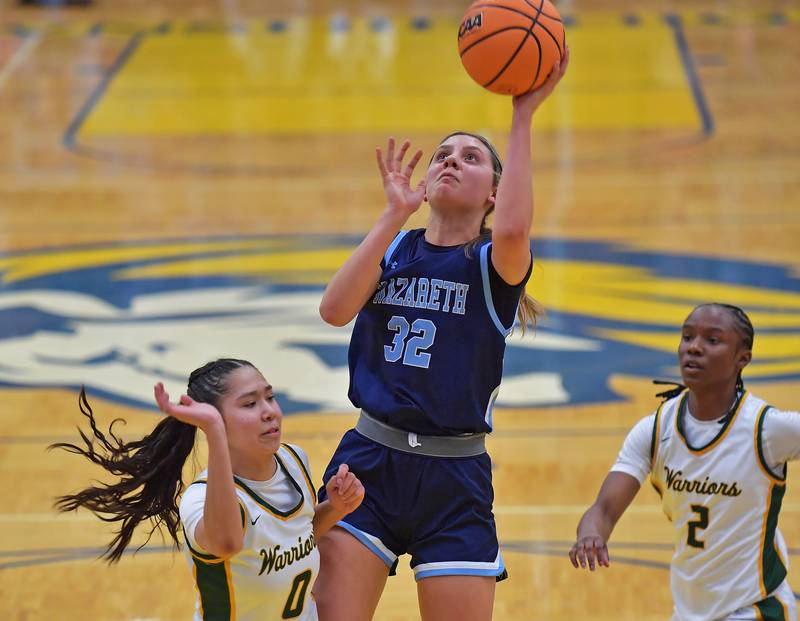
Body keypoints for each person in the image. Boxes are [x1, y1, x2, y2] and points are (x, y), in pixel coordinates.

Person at [312, 49, 570, 620]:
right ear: (426, 182)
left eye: (471, 157)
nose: (452, 161)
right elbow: (333, 310)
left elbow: (518, 227)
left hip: (455, 477)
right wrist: (390, 216)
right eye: (443, 156)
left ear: (493, 194)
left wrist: (522, 116)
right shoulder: (396, 247)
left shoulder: (491, 265)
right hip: (368, 463)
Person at [51, 358, 364, 621]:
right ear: (214, 421)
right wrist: (213, 431)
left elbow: (299, 534)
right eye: (250, 404)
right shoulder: (199, 499)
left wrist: (336, 507)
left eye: (270, 397)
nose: (269, 411)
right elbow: (227, 543)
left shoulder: (294, 460)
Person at [570, 303, 799, 621]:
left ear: (742, 358)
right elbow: (604, 510)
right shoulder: (655, 430)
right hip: (690, 612)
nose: (694, 347)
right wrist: (591, 534)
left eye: (712, 340)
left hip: (756, 609)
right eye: (687, 336)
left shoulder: (767, 428)